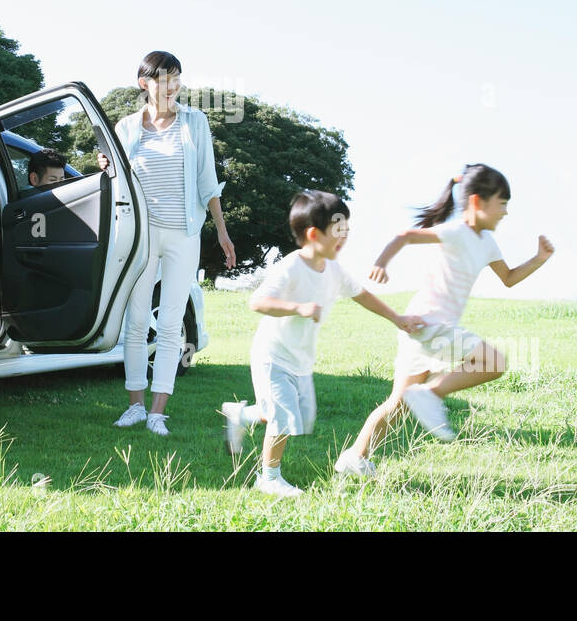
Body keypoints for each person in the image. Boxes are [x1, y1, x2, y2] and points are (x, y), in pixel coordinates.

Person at [337, 163, 555, 476]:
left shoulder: (487, 243)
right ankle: (431, 393)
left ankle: (354, 458)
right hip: (430, 322)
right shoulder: (455, 232)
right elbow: (405, 236)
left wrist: (538, 259)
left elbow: (508, 278)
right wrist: (381, 262)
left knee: (397, 404)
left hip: (422, 328)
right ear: (478, 202)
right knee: (494, 363)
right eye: (502, 204)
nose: (505, 212)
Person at [221, 191, 422, 497]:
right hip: (273, 355)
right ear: (314, 234)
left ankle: (240, 416)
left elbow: (362, 295)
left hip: (300, 360)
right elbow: (257, 301)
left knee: (297, 417)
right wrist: (297, 308)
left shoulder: (335, 270)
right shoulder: (291, 267)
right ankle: (269, 478)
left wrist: (397, 318)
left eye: (346, 232)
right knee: (284, 418)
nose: (344, 239)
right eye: (337, 233)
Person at [104, 51, 236, 437]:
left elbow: (207, 183)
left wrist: (223, 233)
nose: (173, 86)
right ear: (145, 83)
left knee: (171, 322)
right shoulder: (126, 127)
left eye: (177, 78)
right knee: (137, 319)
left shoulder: (195, 122)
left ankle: (158, 412)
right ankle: (134, 406)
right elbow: (118, 180)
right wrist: (106, 165)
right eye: (165, 79)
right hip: (142, 237)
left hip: (183, 234)